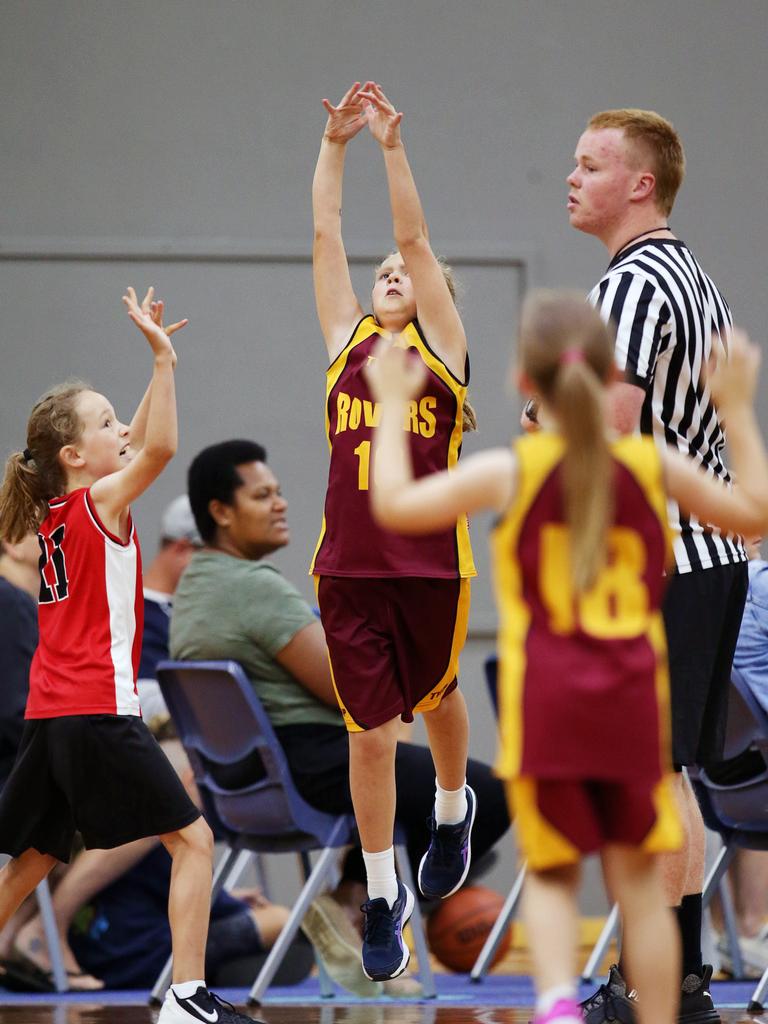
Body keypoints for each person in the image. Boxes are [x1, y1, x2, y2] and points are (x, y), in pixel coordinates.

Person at [366, 290, 768, 1024]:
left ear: (526, 382)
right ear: (610, 372)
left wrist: (393, 405)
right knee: (642, 889)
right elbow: (756, 514)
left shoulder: (513, 472)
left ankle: (554, 1006)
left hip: (551, 706)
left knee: (550, 879)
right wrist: (736, 408)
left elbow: (393, 506)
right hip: (631, 705)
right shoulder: (651, 469)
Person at [523, 108, 751, 1024]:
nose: (571, 178)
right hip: (707, 558)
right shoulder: (693, 280)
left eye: (589, 165)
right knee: (663, 780)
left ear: (641, 184)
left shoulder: (633, 286)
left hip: (658, 564)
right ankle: (675, 984)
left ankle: (658, 987)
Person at [0, 287, 264, 1024]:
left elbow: (137, 437)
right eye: (105, 422)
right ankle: (186, 999)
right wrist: (164, 358)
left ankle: (185, 996)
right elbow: (161, 447)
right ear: (73, 455)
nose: (122, 428)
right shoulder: (99, 504)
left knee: (34, 862)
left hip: (51, 714)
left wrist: (151, 375)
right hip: (93, 708)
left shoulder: (59, 511)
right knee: (194, 839)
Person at [171, 438, 510, 993]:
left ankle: (359, 901)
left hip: (239, 786)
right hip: (307, 766)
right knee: (491, 794)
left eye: (280, 492)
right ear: (220, 512)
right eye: (263, 495)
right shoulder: (255, 589)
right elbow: (349, 687)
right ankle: (355, 903)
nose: (281, 503)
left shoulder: (195, 588)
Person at [311, 81, 478, 983]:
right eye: (382, 272)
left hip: (429, 570)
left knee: (440, 696)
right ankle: (382, 893)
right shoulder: (346, 342)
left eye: (406, 272)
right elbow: (326, 236)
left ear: (435, 293)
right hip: (348, 568)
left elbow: (412, 238)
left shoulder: (443, 357)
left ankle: (454, 808)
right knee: (369, 734)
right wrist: (333, 145)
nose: (391, 272)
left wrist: (387, 148)